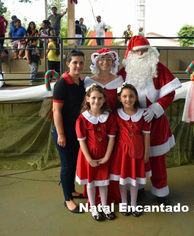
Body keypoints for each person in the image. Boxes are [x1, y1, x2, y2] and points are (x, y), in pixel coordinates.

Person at [117, 35, 182, 205]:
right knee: (135, 156)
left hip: (155, 121)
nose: (141, 54)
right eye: (137, 51)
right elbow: (113, 92)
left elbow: (170, 93)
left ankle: (161, 192)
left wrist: (155, 109)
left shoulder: (158, 68)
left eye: (144, 50)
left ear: (150, 51)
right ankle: (137, 188)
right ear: (131, 53)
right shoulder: (124, 72)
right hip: (132, 123)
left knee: (157, 158)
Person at [84, 48, 124, 205]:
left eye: (108, 59)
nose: (105, 62)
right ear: (96, 61)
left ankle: (112, 195)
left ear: (113, 61)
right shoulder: (88, 81)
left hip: (115, 127)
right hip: (94, 128)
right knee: (95, 159)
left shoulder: (120, 80)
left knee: (113, 161)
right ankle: (95, 199)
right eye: (101, 59)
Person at [51, 49, 86, 213]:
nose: (78, 65)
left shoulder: (82, 82)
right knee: (67, 166)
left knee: (73, 164)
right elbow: (56, 111)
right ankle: (68, 199)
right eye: (75, 62)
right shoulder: (62, 83)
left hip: (76, 131)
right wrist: (61, 134)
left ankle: (71, 190)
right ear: (68, 64)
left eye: (81, 62)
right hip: (62, 131)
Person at [75, 84, 116, 221]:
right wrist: (89, 160)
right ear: (87, 99)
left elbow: (111, 139)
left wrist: (107, 157)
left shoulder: (109, 118)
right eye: (93, 98)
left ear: (104, 100)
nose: (96, 101)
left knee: (103, 182)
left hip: (104, 155)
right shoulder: (82, 119)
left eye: (99, 98)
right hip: (88, 156)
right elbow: (82, 142)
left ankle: (105, 206)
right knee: (91, 183)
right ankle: (93, 207)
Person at [110, 83, 151, 217]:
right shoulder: (116, 114)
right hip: (121, 153)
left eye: (131, 96)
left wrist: (146, 153)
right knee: (123, 179)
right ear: (120, 98)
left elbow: (146, 135)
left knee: (134, 179)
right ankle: (124, 203)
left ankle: (133, 204)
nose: (128, 99)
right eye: (125, 96)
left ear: (136, 97)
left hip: (137, 152)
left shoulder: (143, 114)